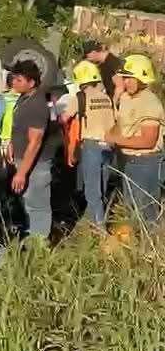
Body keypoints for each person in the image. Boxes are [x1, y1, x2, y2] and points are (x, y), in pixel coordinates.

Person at [106, 54, 165, 225]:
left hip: (146, 163)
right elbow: (119, 122)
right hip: (128, 161)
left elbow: (148, 141)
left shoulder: (150, 103)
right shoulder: (126, 97)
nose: (126, 82)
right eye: (124, 78)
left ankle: (150, 240)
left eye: (130, 78)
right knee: (131, 208)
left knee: (146, 211)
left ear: (142, 78)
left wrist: (116, 140)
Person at [60, 60, 115, 227]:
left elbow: (64, 118)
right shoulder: (106, 98)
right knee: (102, 185)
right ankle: (96, 219)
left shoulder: (79, 98)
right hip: (109, 145)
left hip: (91, 146)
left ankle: (98, 226)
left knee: (92, 188)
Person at [9, 60, 55, 239]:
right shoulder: (24, 97)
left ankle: (40, 243)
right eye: (13, 78)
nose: (14, 82)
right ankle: (32, 235)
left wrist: (21, 173)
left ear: (31, 83)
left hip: (36, 163)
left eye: (19, 80)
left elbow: (35, 142)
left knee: (37, 204)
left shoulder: (37, 104)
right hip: (25, 160)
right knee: (28, 201)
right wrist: (12, 144)